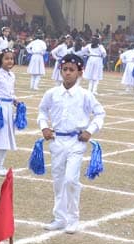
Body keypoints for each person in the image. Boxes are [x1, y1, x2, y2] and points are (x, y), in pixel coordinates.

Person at [37, 54, 106, 234]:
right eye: (65, 69)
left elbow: (100, 113)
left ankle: (73, 218)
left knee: (70, 179)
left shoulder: (85, 95)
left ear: (79, 72)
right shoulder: (52, 93)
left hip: (76, 142)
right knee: (58, 180)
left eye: (72, 70)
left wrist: (90, 130)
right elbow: (42, 111)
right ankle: (60, 217)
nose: (67, 73)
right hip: (57, 140)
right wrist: (44, 127)